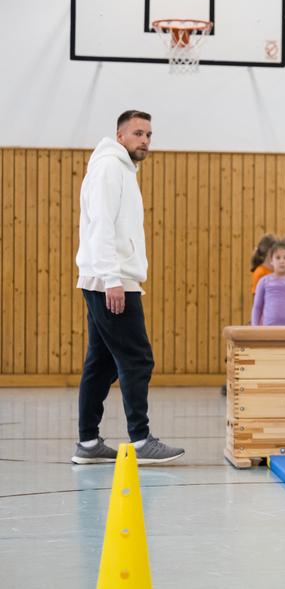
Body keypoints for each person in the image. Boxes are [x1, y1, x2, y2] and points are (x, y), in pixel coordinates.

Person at [72, 110, 185, 465]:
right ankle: (140, 440)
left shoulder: (122, 169)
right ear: (120, 136)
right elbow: (101, 226)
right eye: (138, 133)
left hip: (110, 279)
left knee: (102, 362)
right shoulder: (110, 167)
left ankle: (88, 442)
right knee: (137, 359)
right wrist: (112, 279)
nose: (145, 140)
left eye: (149, 135)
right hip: (112, 281)